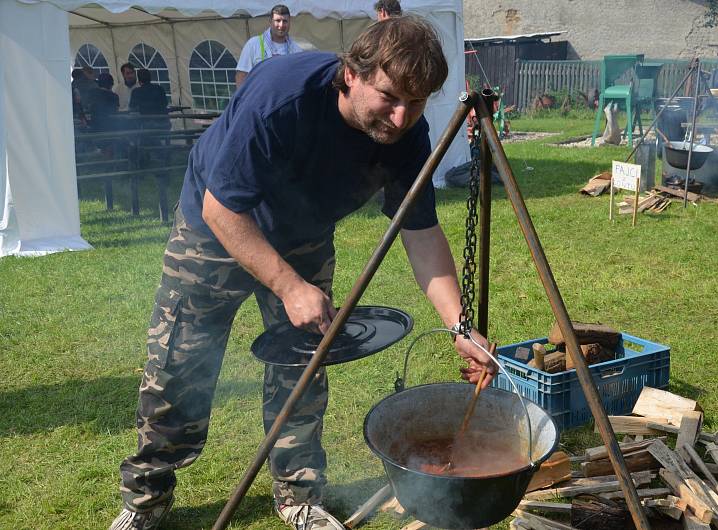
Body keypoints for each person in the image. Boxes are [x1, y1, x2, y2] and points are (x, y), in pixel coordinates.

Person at [109, 16, 493, 530]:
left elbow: (420, 232)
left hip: (305, 234)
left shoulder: (407, 134)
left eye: (418, 102)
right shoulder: (279, 98)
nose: (402, 117)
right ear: (350, 75)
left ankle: (297, 493)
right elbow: (223, 210)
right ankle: (145, 500)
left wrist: (459, 327)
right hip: (215, 230)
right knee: (180, 361)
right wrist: (289, 286)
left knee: (304, 366)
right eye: (389, 97)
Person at [235, 4, 303, 87]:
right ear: (270, 21)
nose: (281, 25)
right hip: (260, 98)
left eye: (285, 21)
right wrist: (244, 99)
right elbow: (241, 76)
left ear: (289, 22)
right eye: (277, 21)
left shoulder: (296, 49)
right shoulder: (253, 44)